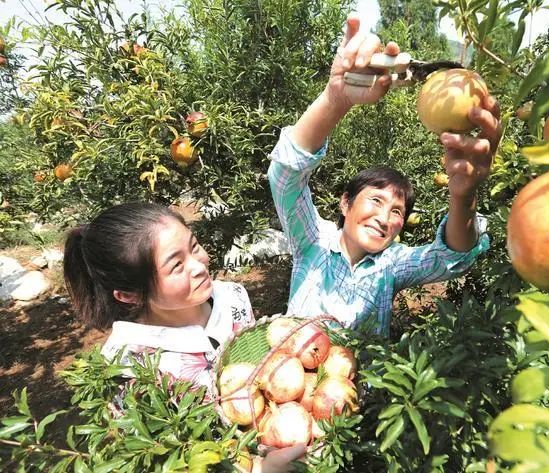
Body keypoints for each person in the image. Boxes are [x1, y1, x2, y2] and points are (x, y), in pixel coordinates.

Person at [268, 14, 502, 336]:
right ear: (345, 203)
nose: (384, 217)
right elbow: (286, 176)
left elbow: (452, 257)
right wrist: (334, 100)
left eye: (397, 211)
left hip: (357, 387)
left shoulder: (390, 266)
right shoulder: (312, 241)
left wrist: (463, 196)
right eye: (376, 200)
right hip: (293, 379)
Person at [63, 202, 304, 472]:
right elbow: (164, 459)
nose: (199, 265)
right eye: (176, 266)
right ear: (130, 295)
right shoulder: (127, 369)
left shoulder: (233, 296)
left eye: (194, 246)